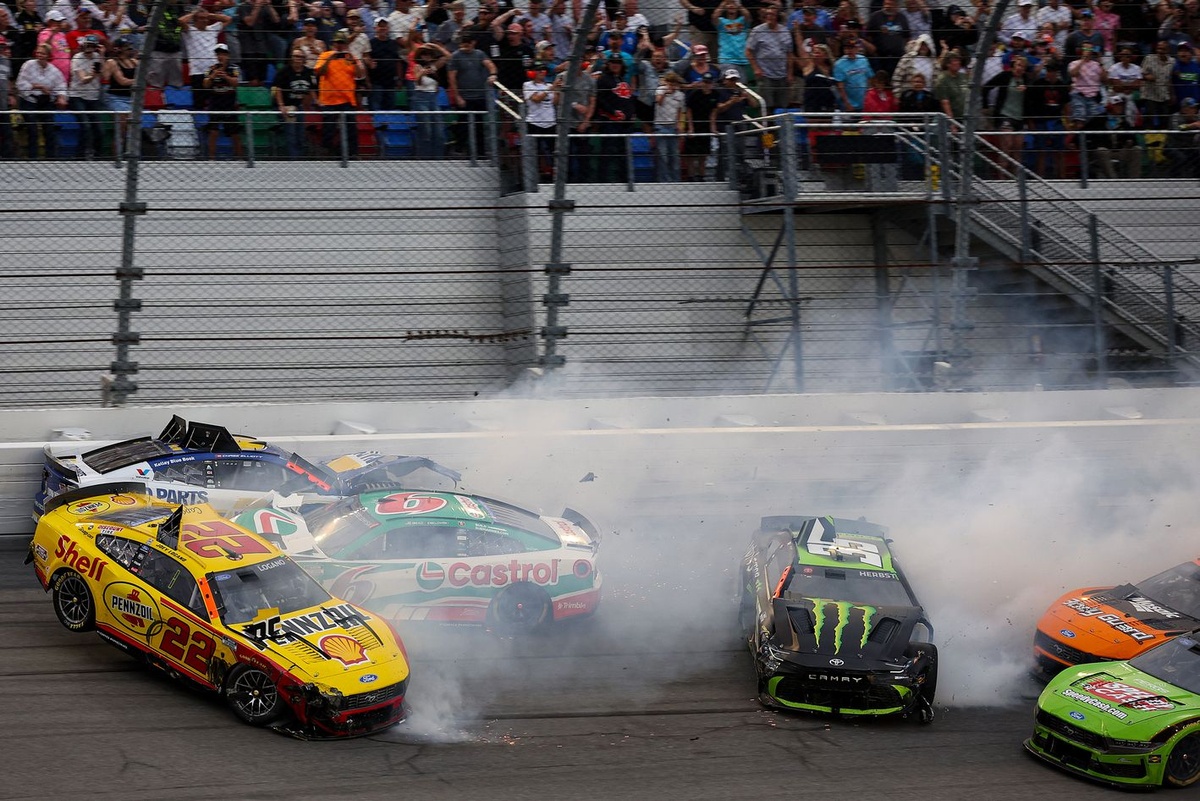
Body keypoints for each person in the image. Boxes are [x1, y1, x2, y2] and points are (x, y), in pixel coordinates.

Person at [314, 28, 364, 156]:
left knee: (351, 128)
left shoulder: (350, 57)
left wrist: (354, 62)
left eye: (342, 42)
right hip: (329, 99)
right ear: (333, 43)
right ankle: (327, 154)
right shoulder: (325, 55)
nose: (339, 45)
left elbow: (359, 75)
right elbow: (319, 72)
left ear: (346, 44)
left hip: (347, 99)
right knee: (328, 129)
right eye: (337, 42)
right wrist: (330, 58)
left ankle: (352, 154)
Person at [446, 31, 496, 158]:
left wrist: (492, 74)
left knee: (479, 125)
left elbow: (490, 65)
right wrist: (457, 96)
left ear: (473, 43)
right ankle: (459, 149)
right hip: (465, 96)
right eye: (464, 43)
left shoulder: (479, 54)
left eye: (468, 43)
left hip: (479, 96)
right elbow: (452, 78)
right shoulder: (456, 56)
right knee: (463, 124)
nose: (466, 46)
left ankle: (480, 152)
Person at [16, 42, 66, 157]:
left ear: (48, 55)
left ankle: (51, 159)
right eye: (38, 52)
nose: (39, 55)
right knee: (32, 130)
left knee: (49, 130)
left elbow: (61, 86)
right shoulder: (28, 65)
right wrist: (38, 86)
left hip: (45, 102)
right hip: (29, 100)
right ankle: (33, 158)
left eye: (42, 53)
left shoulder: (54, 71)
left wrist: (61, 97)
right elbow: (20, 84)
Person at [985, 54, 1032, 167]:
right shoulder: (1005, 76)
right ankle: (1002, 176)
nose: (1020, 68)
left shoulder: (1026, 79)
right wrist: (985, 106)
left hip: (1020, 117)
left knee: (1018, 149)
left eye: (1023, 66)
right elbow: (986, 87)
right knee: (1006, 146)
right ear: (1013, 65)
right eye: (1018, 65)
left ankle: (1017, 176)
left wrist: (1027, 90)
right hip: (1005, 114)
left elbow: (1032, 98)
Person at [594, 51, 634, 182]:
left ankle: (625, 181)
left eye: (618, 63)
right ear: (608, 64)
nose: (615, 65)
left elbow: (628, 99)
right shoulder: (603, 79)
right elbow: (600, 99)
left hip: (624, 124)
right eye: (613, 62)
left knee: (624, 153)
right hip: (609, 122)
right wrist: (613, 112)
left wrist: (629, 114)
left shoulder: (623, 80)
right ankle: (602, 181)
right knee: (607, 152)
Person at [745, 4, 791, 111]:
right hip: (765, 74)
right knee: (767, 106)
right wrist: (756, 68)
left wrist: (790, 73)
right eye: (767, 14)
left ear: (777, 16)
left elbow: (789, 53)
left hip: (782, 74)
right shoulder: (757, 31)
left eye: (772, 14)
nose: (769, 17)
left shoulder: (785, 31)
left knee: (782, 106)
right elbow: (748, 51)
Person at [271, 47, 316, 157]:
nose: (298, 59)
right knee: (291, 134)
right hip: (286, 105)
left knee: (300, 134)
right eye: (295, 56)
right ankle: (293, 159)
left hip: (298, 105)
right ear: (291, 58)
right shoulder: (284, 72)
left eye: (300, 57)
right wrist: (281, 106)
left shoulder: (308, 72)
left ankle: (300, 157)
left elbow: (311, 89)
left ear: (304, 59)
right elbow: (277, 89)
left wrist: (315, 101)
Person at [181, 6, 226, 109]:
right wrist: (194, 13)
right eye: (201, 18)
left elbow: (228, 19)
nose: (205, 20)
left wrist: (210, 15)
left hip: (213, 71)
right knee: (199, 102)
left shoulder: (212, 29)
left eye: (206, 18)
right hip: (197, 72)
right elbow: (181, 21)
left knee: (215, 101)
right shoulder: (190, 30)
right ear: (195, 20)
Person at [203, 42, 243, 159]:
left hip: (230, 105)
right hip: (215, 105)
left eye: (223, 54)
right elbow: (205, 84)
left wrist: (225, 76)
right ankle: (211, 159)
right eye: (219, 54)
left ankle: (239, 158)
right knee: (213, 132)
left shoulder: (234, 69)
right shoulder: (211, 69)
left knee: (234, 133)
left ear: (228, 56)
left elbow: (236, 83)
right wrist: (213, 76)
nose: (221, 57)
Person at [66, 33, 103, 157]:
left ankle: (98, 156)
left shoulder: (97, 57)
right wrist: (93, 75)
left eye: (92, 46)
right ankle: (80, 156)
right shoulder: (77, 58)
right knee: (86, 126)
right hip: (77, 95)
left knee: (99, 129)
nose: (89, 48)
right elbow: (82, 79)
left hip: (93, 96)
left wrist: (102, 56)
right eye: (88, 45)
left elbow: (105, 75)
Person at [683, 71, 720, 179]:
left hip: (705, 126)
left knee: (703, 154)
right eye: (705, 82)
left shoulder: (715, 94)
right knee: (690, 154)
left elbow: (713, 112)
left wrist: (713, 128)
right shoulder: (695, 93)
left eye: (709, 82)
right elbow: (689, 110)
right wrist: (691, 128)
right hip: (694, 123)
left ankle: (701, 176)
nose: (706, 84)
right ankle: (691, 177)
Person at [102, 35, 136, 148]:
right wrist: (138, 81)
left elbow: (146, 76)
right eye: (126, 47)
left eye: (129, 46)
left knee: (132, 128)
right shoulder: (112, 62)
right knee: (122, 127)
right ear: (119, 48)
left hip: (131, 98)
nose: (129, 49)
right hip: (116, 97)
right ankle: (118, 153)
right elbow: (122, 81)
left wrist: (139, 80)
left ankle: (130, 152)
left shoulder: (134, 61)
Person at [523, 59, 554, 177]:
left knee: (552, 150)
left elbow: (555, 102)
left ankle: (551, 173)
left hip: (550, 122)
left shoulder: (549, 85)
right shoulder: (528, 85)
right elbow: (536, 99)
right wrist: (550, 89)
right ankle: (533, 176)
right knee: (535, 151)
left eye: (543, 70)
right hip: (535, 122)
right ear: (532, 72)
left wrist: (558, 91)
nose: (541, 72)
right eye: (538, 70)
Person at [237, 0, 280, 85]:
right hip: (248, 48)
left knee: (262, 80)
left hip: (262, 47)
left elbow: (276, 20)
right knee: (253, 81)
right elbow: (250, 22)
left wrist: (269, 5)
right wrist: (257, 6)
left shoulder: (264, 7)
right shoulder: (243, 6)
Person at [365, 15, 402, 111]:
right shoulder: (370, 43)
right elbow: (366, 59)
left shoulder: (393, 43)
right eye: (380, 26)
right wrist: (368, 80)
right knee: (375, 107)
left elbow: (397, 62)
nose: (382, 28)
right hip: (376, 82)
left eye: (384, 26)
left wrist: (399, 78)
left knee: (390, 108)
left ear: (388, 28)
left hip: (390, 82)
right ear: (375, 28)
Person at [653, 70, 684, 181]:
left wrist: (679, 124)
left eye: (674, 84)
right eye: (670, 83)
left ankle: (676, 180)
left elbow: (680, 110)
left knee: (674, 156)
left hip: (673, 126)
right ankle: (664, 181)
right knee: (663, 156)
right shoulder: (660, 90)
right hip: (660, 126)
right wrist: (665, 93)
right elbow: (658, 102)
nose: (672, 86)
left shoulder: (680, 95)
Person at [865, 0, 908, 76]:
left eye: (890, 4)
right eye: (886, 4)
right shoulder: (876, 16)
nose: (887, 6)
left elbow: (907, 36)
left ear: (896, 6)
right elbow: (868, 35)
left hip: (897, 57)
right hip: (880, 57)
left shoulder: (902, 17)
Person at [147, 0, 184, 89]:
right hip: (158, 48)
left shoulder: (179, 5)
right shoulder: (155, 4)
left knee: (176, 83)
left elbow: (182, 22)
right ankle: (156, 97)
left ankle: (174, 96)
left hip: (175, 48)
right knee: (155, 82)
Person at [1068, 42, 1106, 124]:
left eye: (1090, 49)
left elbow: (1104, 79)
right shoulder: (1074, 63)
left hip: (1093, 97)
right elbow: (1073, 74)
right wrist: (1083, 60)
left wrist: (1100, 61)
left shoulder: (1097, 65)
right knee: (1079, 120)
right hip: (1079, 95)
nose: (1088, 51)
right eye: (1085, 48)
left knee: (1094, 122)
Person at [1141, 39, 1175, 129]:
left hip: (1164, 94)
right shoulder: (1149, 58)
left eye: (1163, 49)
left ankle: (1163, 137)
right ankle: (1149, 137)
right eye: (1158, 48)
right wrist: (1147, 76)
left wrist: (1172, 94)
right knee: (1149, 120)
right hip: (1150, 94)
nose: (1160, 51)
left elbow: (1171, 79)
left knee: (1164, 120)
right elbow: (1141, 74)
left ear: (1168, 50)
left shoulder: (1172, 61)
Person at [712, 0, 749, 79]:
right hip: (727, 59)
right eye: (729, 4)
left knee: (742, 85)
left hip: (741, 59)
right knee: (728, 83)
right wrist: (724, 3)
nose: (731, 5)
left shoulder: (742, 20)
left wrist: (738, 4)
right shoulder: (722, 21)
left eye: (733, 4)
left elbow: (748, 15)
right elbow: (714, 16)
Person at [833, 37, 871, 113]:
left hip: (864, 101)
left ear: (857, 48)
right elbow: (840, 86)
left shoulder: (863, 60)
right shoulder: (839, 64)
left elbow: (869, 78)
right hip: (850, 104)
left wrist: (869, 98)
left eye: (851, 48)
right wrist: (847, 103)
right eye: (846, 48)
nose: (849, 50)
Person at [934, 50, 968, 120]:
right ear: (948, 64)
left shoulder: (963, 76)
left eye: (959, 60)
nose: (958, 62)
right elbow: (945, 102)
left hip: (966, 115)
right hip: (951, 118)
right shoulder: (943, 79)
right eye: (955, 60)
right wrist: (951, 121)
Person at [0, 35, 13, 158]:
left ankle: (7, 159)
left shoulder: (6, 61)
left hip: (3, 105)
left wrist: (10, 94)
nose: (1, 48)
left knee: (7, 134)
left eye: (2, 46)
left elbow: (8, 79)